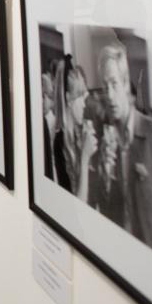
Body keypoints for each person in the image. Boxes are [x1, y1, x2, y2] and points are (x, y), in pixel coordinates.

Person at [94, 42, 152, 267]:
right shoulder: (105, 143)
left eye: (114, 83)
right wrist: (104, 181)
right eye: (105, 87)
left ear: (125, 84)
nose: (110, 95)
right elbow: (106, 218)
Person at [51, 56, 98, 202]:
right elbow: (75, 204)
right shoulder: (60, 142)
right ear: (69, 99)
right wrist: (85, 158)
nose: (84, 105)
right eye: (80, 98)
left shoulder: (83, 133)